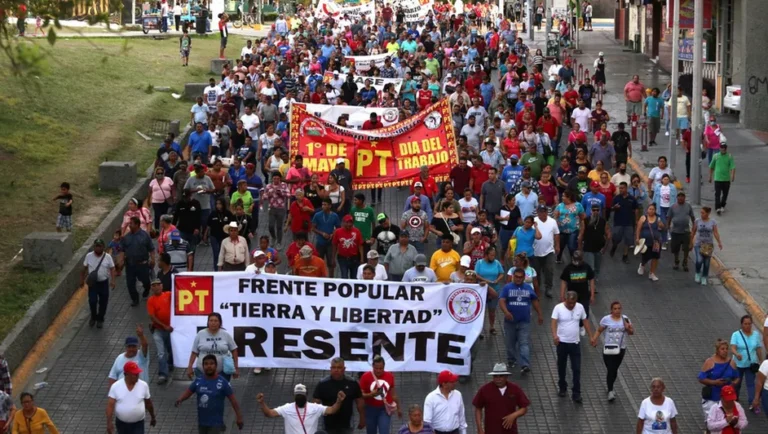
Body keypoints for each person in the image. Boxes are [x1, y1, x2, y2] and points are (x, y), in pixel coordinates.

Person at [175, 354, 244, 432]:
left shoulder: (223, 382)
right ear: (203, 366)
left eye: (211, 363)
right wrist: (180, 399)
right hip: (202, 423)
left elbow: (233, 401)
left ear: (216, 366)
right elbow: (188, 392)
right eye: (206, 364)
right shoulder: (198, 381)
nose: (209, 366)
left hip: (216, 424)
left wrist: (239, 417)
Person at [551, 291, 595, 403]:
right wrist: (555, 336)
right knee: (561, 366)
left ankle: (576, 393)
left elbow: (585, 321)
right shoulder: (558, 308)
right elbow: (554, 322)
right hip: (562, 343)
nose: (572, 305)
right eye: (570, 303)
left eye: (573, 303)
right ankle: (562, 386)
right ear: (565, 300)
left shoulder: (580, 307)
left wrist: (591, 336)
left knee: (576, 369)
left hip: (575, 343)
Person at [500, 267, 544, 374]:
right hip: (510, 322)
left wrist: (540, 314)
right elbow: (502, 301)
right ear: (513, 277)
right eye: (516, 277)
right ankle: (511, 360)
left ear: (524, 278)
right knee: (510, 344)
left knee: (524, 343)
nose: (518, 279)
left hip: (524, 321)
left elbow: (534, 301)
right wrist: (506, 312)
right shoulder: (507, 288)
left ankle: (525, 364)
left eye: (521, 277)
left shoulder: (528, 288)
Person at [257, 384, 346, 434]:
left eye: (301, 396)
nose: (299, 398)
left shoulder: (315, 408)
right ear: (294, 396)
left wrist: (339, 401)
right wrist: (262, 403)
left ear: (306, 396)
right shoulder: (287, 408)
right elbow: (269, 413)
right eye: (298, 395)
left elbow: (332, 410)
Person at [591, 301, 635, 402]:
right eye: (615, 309)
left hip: (621, 348)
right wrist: (594, 339)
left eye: (619, 308)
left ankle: (610, 388)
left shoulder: (625, 319)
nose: (617, 311)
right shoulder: (606, 319)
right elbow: (599, 330)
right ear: (611, 310)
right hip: (608, 348)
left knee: (613, 369)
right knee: (610, 368)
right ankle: (610, 388)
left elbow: (632, 332)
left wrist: (628, 328)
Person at [472, 362, 530, 434]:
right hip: (491, 430)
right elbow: (478, 408)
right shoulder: (485, 390)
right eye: (495, 376)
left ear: (506, 377)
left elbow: (524, 408)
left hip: (510, 431)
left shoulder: (515, 389)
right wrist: (479, 428)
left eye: (501, 376)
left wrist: (513, 415)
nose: (498, 379)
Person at [313, 358, 365, 434]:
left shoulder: (352, 383)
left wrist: (362, 418)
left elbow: (359, 401)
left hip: (346, 424)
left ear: (344, 369)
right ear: (330, 369)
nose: (336, 370)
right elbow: (315, 403)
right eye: (334, 367)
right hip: (328, 424)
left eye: (339, 367)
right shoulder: (322, 384)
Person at [106, 361, 156, 434]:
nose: (137, 376)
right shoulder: (116, 386)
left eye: (137, 374)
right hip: (121, 425)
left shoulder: (143, 385)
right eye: (134, 374)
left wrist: (153, 417)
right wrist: (109, 423)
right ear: (126, 374)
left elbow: (148, 403)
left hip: (138, 425)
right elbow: (110, 406)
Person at [186, 312, 239, 380]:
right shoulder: (200, 334)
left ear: (220, 323)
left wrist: (236, 368)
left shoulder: (226, 334)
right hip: (202, 372)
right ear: (208, 322)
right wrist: (190, 367)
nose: (213, 323)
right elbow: (194, 352)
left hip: (222, 372)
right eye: (211, 320)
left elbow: (234, 350)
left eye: (216, 321)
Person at [699, 339, 741, 424]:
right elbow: (701, 378)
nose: (725, 351)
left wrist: (733, 384)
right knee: (711, 422)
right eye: (722, 349)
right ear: (717, 350)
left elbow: (737, 377)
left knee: (725, 422)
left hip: (726, 398)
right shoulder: (710, 362)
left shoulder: (731, 362)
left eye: (726, 349)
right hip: (712, 398)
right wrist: (714, 382)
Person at [359, 355, 403, 434]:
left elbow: (393, 394)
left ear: (384, 367)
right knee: (371, 431)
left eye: (381, 368)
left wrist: (399, 408)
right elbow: (360, 395)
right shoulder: (365, 377)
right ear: (372, 366)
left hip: (384, 409)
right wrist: (370, 395)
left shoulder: (389, 376)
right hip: (370, 409)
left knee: (384, 431)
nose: (378, 371)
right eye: (376, 368)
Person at [80, 238, 116, 329]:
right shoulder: (89, 256)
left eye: (100, 246)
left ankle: (100, 319)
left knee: (103, 302)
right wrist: (81, 280)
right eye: (96, 246)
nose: (98, 248)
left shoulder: (107, 257)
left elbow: (112, 269)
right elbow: (84, 268)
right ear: (94, 247)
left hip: (104, 283)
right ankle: (93, 316)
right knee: (92, 301)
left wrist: (113, 280)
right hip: (93, 284)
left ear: (103, 247)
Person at [730, 315, 763, 411]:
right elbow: (733, 347)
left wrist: (761, 360)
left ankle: (752, 403)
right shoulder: (736, 334)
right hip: (738, 364)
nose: (747, 326)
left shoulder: (756, 335)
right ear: (741, 324)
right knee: (737, 383)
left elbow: (758, 348)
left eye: (749, 324)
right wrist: (736, 354)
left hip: (751, 364)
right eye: (745, 324)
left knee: (751, 384)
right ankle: (734, 400)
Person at [146, 279, 173, 385]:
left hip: (170, 330)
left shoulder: (169, 295)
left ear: (162, 286)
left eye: (158, 285)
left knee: (171, 349)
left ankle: (170, 364)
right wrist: (164, 326)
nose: (156, 287)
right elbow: (152, 316)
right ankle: (163, 374)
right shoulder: (151, 300)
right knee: (161, 353)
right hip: (158, 330)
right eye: (153, 286)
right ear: (151, 288)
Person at [690, 206, 723, 286]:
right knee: (699, 260)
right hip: (699, 244)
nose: (701, 214)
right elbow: (693, 231)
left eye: (703, 213)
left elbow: (715, 232)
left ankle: (704, 276)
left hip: (708, 245)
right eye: (701, 212)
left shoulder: (712, 222)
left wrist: (719, 242)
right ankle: (697, 273)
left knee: (706, 262)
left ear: (708, 213)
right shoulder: (697, 221)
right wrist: (690, 242)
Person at [533, 205, 559, 298]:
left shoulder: (552, 222)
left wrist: (557, 245)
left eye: (544, 211)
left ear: (547, 212)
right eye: (540, 211)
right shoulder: (534, 221)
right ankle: (537, 288)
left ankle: (549, 287)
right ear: (538, 212)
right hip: (535, 251)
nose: (542, 213)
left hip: (549, 251)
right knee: (536, 271)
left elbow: (556, 234)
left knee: (549, 270)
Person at [579, 204, 610, 280]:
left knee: (597, 267)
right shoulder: (585, 221)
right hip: (588, 248)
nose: (595, 212)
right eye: (594, 210)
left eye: (597, 210)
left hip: (599, 248)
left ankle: (594, 281)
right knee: (591, 267)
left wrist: (605, 248)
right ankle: (591, 284)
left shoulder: (603, 221)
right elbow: (581, 235)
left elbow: (608, 235)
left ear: (599, 211)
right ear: (591, 211)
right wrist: (580, 249)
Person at [635, 203, 665, 281]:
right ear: (647, 210)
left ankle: (652, 273)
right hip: (645, 242)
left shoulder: (658, 218)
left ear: (655, 210)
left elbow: (662, 228)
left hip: (656, 242)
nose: (651, 211)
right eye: (650, 209)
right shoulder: (643, 218)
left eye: (653, 209)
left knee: (655, 257)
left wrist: (661, 225)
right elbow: (638, 228)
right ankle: (642, 265)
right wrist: (637, 238)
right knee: (645, 256)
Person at [666, 192, 695, 271]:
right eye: (679, 197)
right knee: (675, 248)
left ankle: (685, 262)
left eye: (682, 197)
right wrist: (668, 226)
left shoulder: (688, 206)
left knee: (686, 249)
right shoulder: (673, 207)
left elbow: (692, 217)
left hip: (686, 231)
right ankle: (676, 261)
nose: (681, 198)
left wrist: (694, 226)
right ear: (677, 198)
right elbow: (669, 217)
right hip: (675, 231)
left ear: (685, 198)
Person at [333, 215, 364, 279]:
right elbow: (334, 245)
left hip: (354, 258)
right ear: (343, 222)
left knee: (354, 277)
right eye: (347, 222)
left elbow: (360, 245)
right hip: (342, 258)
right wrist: (333, 258)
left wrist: (362, 258)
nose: (349, 224)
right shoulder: (337, 232)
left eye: (350, 222)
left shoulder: (357, 231)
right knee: (344, 276)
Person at [708, 143, 736, 215]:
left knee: (725, 194)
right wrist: (710, 176)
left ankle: (722, 204)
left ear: (726, 148)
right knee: (717, 194)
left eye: (724, 148)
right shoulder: (716, 156)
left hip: (726, 179)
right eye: (721, 147)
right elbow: (711, 167)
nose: (723, 149)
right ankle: (717, 208)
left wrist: (732, 176)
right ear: (719, 148)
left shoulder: (729, 157)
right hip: (717, 178)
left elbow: (733, 167)